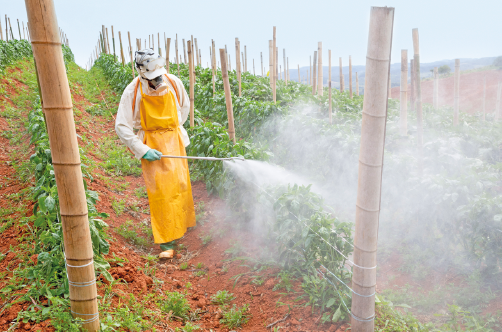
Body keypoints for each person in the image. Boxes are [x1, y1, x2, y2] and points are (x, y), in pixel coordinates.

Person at [115, 49, 196, 258]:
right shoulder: (133, 91)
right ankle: (166, 242)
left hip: (174, 139)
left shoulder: (173, 82)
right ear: (142, 73)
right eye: (152, 78)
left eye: (158, 76)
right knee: (161, 192)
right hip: (152, 144)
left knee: (180, 184)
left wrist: (172, 131)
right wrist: (143, 149)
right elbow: (121, 127)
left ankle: (182, 225)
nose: (157, 81)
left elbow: (184, 109)